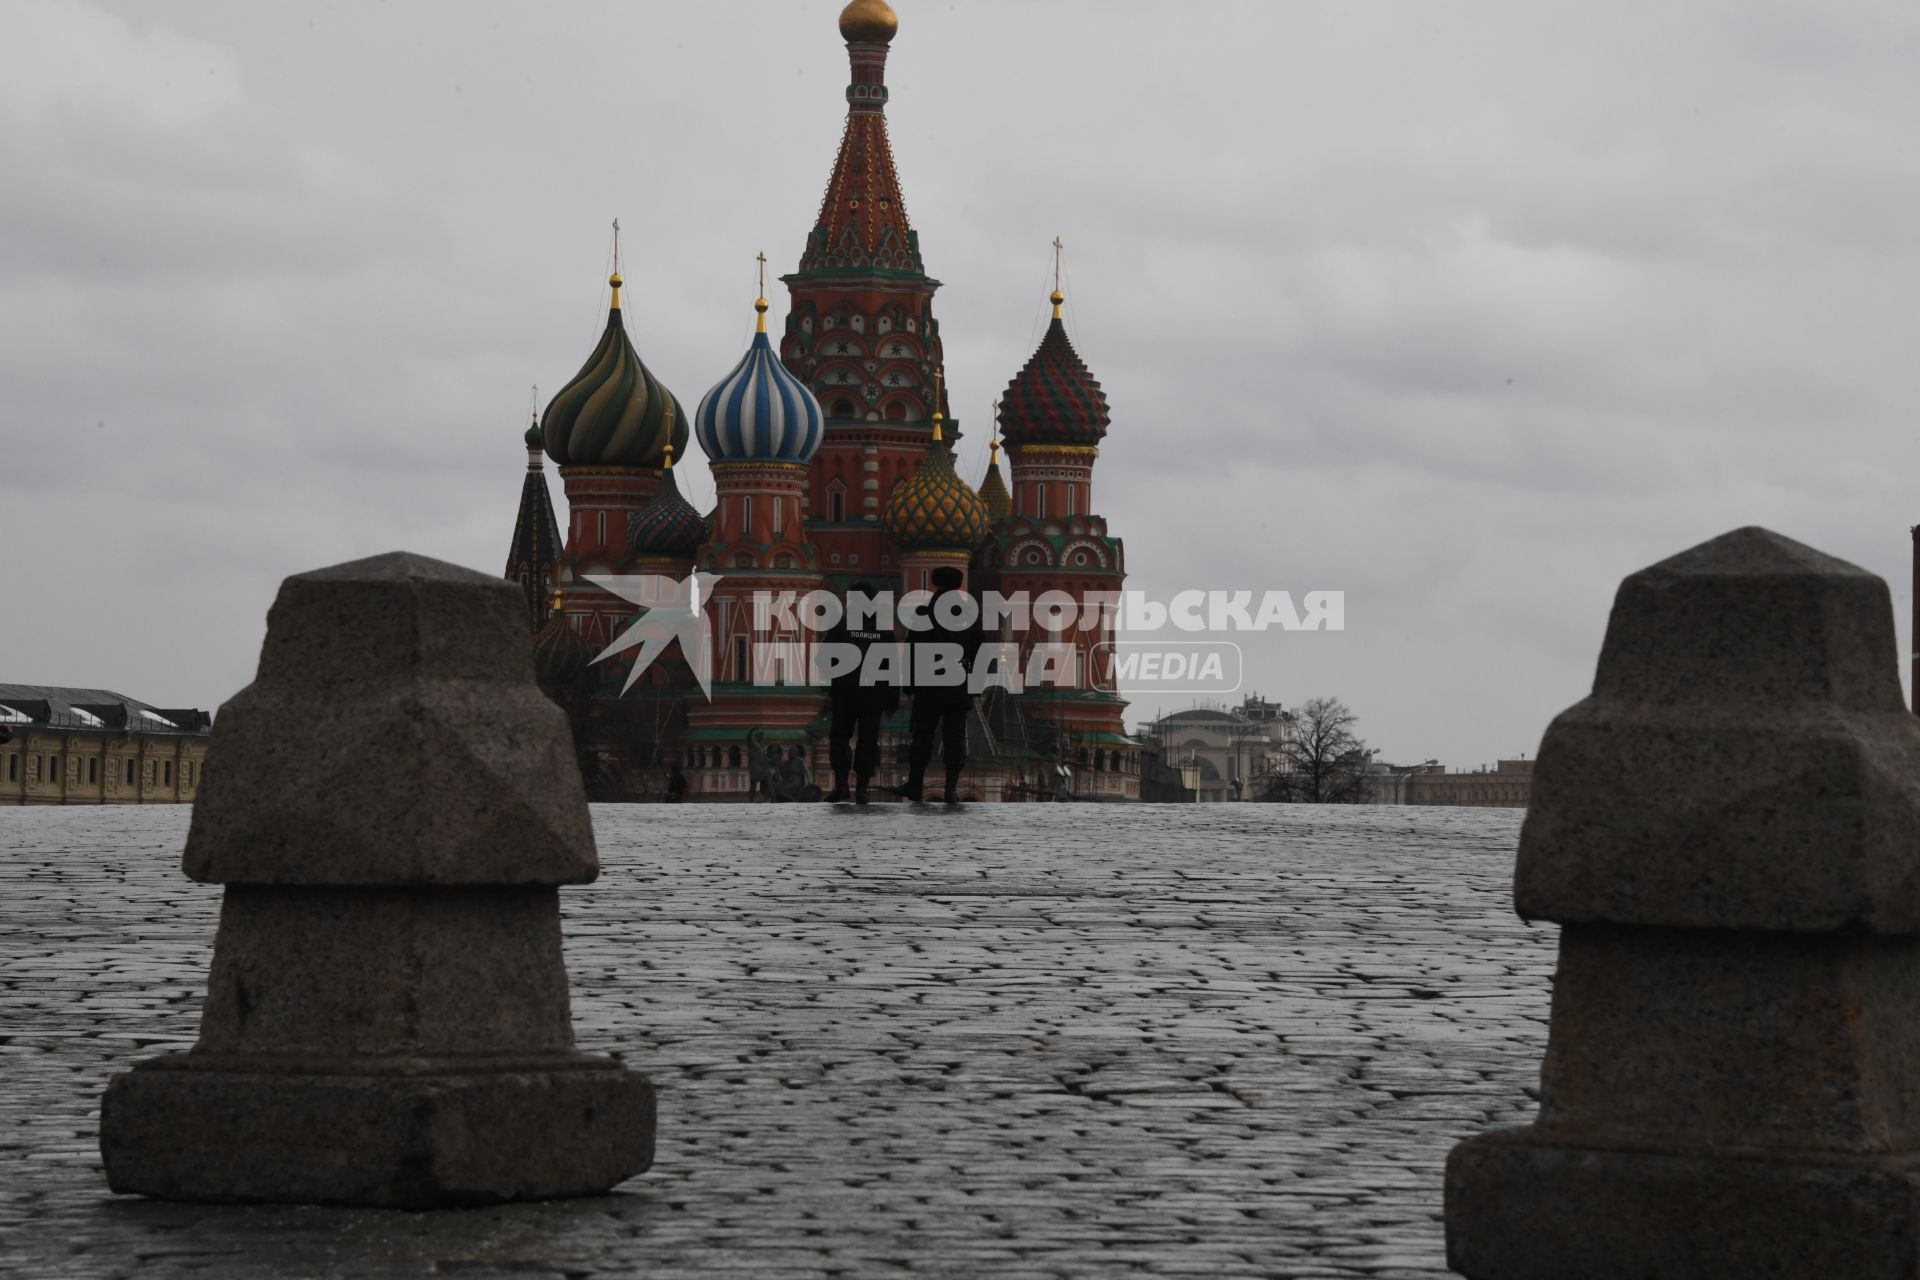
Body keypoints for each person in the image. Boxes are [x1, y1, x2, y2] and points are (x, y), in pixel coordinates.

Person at [903, 565, 982, 805]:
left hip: (928, 684)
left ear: (935, 584)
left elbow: (912, 649)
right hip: (958, 685)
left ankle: (915, 786)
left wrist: (909, 684)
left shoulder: (925, 612)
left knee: (923, 736)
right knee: (955, 736)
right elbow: (980, 650)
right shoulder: (970, 613)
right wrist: (974, 686)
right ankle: (951, 789)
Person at [822, 580, 899, 805]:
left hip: (845, 694)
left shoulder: (841, 627)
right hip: (873, 696)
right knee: (868, 741)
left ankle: (842, 784)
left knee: (839, 737)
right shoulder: (883, 630)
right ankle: (862, 789)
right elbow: (892, 667)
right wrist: (892, 699)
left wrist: (832, 682)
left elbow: (824, 659)